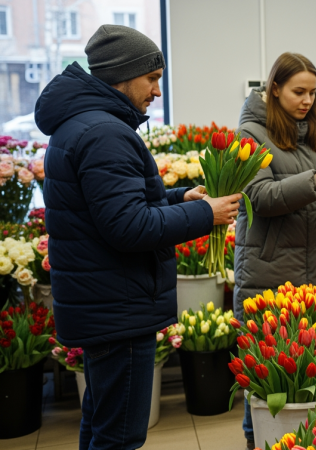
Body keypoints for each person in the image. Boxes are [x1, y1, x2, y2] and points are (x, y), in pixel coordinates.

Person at [34, 25, 241, 449]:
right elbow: (129, 227)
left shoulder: (82, 124)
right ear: (122, 75)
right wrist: (206, 213)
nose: (158, 91)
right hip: (118, 309)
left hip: (103, 303)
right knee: (120, 437)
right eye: (152, 78)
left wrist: (180, 196)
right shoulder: (105, 132)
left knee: (101, 421)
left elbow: (109, 206)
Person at [234, 52, 316, 450]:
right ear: (274, 89)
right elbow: (256, 196)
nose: (307, 100)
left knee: (310, 373)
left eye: (312, 92)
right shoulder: (251, 135)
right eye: (297, 92)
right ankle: (255, 441)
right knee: (265, 377)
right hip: (269, 273)